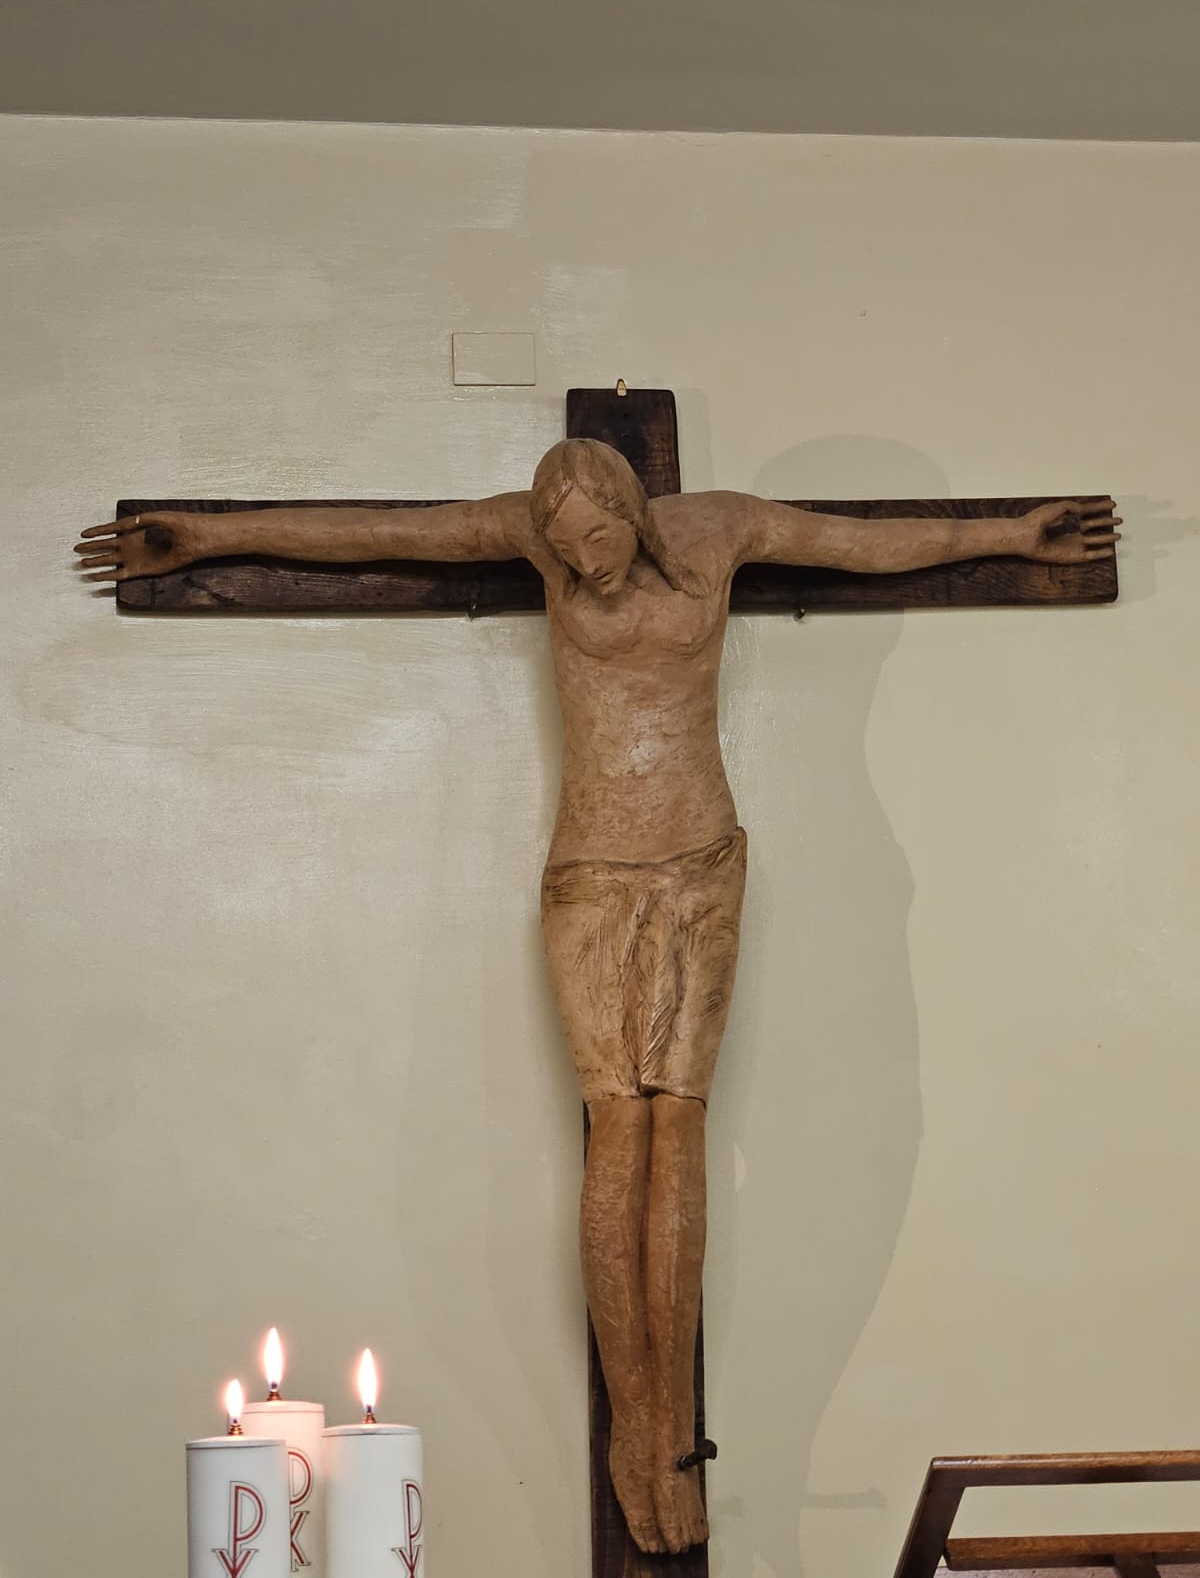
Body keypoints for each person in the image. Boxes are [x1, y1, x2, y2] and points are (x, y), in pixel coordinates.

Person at [76, 441, 1119, 1554]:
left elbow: (861, 545)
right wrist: (207, 535)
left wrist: (1011, 535)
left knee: (680, 1133)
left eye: (599, 540)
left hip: (703, 864)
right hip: (588, 874)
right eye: (566, 552)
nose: (586, 566)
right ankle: (637, 1426)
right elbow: (378, 531)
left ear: (634, 508)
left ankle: (674, 1433)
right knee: (616, 1132)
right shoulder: (533, 542)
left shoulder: (720, 529)